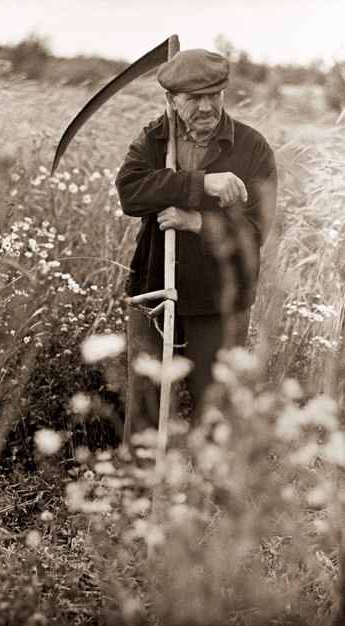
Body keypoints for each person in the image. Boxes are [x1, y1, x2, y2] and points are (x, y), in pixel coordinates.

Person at [115, 48, 277, 439]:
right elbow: (130, 192)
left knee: (216, 409)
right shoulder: (154, 139)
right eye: (194, 99)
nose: (207, 107)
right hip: (154, 288)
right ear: (171, 100)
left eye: (215, 95)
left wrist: (197, 221)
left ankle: (215, 499)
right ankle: (142, 492)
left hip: (219, 298)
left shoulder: (252, 148)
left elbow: (256, 230)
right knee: (145, 408)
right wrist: (199, 184)